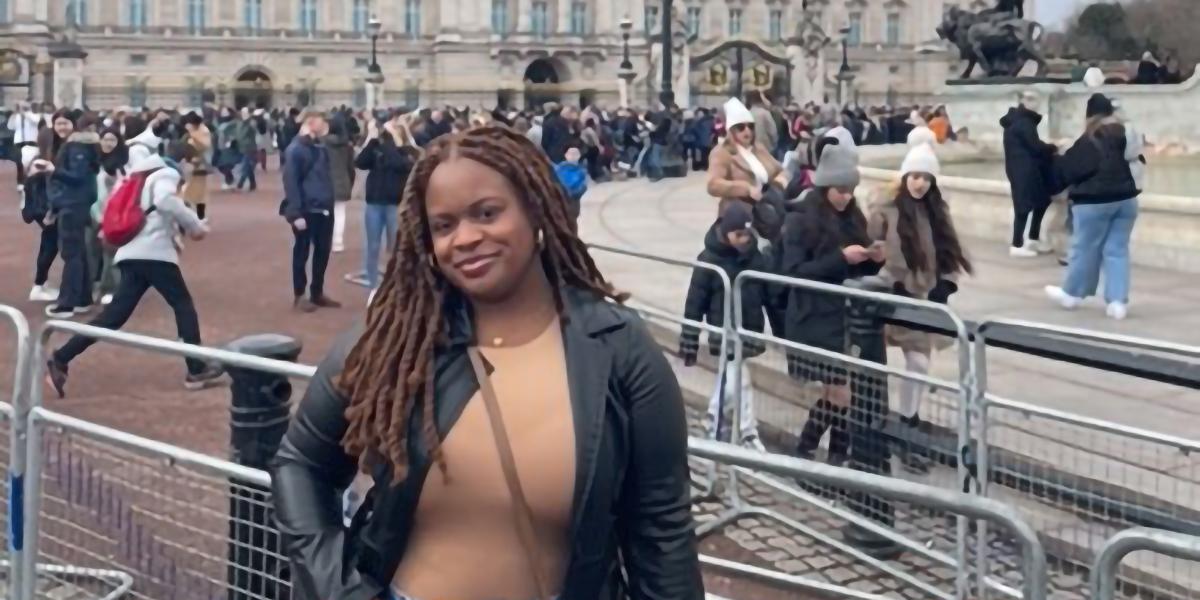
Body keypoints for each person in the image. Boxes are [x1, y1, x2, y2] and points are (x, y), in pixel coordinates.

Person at [270, 125, 703, 600]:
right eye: (444, 225)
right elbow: (302, 463)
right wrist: (336, 587)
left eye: (487, 213)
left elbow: (662, 533)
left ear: (535, 209)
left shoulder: (620, 348)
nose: (467, 238)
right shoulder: (396, 340)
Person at [45, 131, 222, 398]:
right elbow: (165, 202)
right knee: (183, 305)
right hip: (155, 253)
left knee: (114, 317)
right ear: (184, 160)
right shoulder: (167, 174)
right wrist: (194, 224)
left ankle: (62, 357)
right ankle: (195, 368)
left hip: (131, 251)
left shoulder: (138, 174)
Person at [867, 142, 973, 472]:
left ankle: (907, 425)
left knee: (918, 363)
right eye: (915, 176)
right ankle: (872, 426)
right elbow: (869, 249)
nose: (920, 183)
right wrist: (883, 278)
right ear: (904, 176)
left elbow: (948, 250)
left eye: (926, 178)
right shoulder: (884, 208)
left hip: (918, 301)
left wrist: (946, 283)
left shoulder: (936, 211)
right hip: (886, 298)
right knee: (872, 365)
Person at [782, 140, 883, 464]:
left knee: (837, 392)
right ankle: (832, 456)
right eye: (840, 189)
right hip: (814, 317)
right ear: (825, 185)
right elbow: (795, 273)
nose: (847, 196)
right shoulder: (799, 220)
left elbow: (859, 265)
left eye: (851, 189)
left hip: (842, 316)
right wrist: (840, 258)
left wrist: (873, 259)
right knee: (842, 392)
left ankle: (818, 451)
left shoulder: (853, 218)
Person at [680, 200, 768, 450]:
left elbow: (769, 295)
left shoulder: (755, 257)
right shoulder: (708, 260)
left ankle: (714, 420)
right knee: (739, 378)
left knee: (730, 377)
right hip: (724, 329)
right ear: (725, 231)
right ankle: (746, 430)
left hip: (747, 328)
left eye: (746, 234)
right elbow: (694, 302)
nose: (743, 239)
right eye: (738, 234)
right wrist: (690, 338)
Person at [1046, 93, 1140, 321]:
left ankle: (1072, 294)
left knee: (1084, 248)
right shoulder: (1126, 133)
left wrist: (1059, 157)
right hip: (1126, 199)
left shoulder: (1090, 138)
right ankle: (1117, 302)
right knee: (1117, 250)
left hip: (1093, 202)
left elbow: (1069, 169)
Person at [281, 109, 340, 312]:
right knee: (302, 252)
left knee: (322, 252)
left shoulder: (319, 146)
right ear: (311, 121)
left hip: (323, 206)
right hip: (306, 209)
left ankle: (317, 291)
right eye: (323, 121)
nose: (326, 125)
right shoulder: (295, 149)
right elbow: (291, 183)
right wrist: (295, 213)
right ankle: (300, 294)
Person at [707, 97, 787, 239]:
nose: (747, 131)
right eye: (741, 127)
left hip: (766, 212)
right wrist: (745, 188)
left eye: (750, 126)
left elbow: (779, 170)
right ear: (731, 130)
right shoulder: (722, 153)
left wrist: (779, 182)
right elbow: (713, 185)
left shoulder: (758, 149)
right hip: (738, 217)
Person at [45, 111, 100, 319]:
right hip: (75, 202)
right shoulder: (82, 146)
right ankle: (82, 298)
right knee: (79, 252)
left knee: (71, 254)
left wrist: (53, 170)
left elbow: (77, 176)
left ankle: (68, 302)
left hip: (73, 203)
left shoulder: (76, 147)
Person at [356, 115, 417, 291]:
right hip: (374, 202)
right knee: (372, 245)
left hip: (395, 204)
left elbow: (400, 164)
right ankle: (372, 283)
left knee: (396, 245)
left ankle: (396, 282)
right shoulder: (379, 146)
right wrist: (372, 140)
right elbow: (360, 163)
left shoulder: (407, 150)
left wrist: (393, 142)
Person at [1001, 91, 1057, 258]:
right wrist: (1054, 147)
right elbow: (1035, 147)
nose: (1035, 103)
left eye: (1035, 99)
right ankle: (1017, 244)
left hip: (1025, 168)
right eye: (1030, 99)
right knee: (1023, 206)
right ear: (1022, 101)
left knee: (1041, 200)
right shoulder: (1023, 122)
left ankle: (1033, 237)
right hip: (1023, 169)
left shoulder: (1020, 120)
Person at [90, 126, 128, 305]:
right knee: (91, 251)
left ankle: (112, 289)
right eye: (105, 139)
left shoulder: (121, 165)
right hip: (91, 212)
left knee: (110, 253)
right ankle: (94, 285)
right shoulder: (93, 160)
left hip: (111, 215)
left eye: (112, 139)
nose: (108, 143)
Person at [25, 127, 64, 303]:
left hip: (42, 209)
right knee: (50, 247)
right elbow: (44, 190)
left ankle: (41, 283)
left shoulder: (38, 160)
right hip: (46, 210)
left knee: (48, 246)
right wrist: (51, 211)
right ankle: (38, 285)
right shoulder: (41, 162)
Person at [324, 115, 357, 254]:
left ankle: (324, 240)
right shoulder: (347, 146)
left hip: (324, 181)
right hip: (342, 180)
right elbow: (351, 168)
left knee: (324, 213)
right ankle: (337, 242)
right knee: (340, 213)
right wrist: (350, 182)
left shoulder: (321, 143)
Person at [180, 112, 212, 221]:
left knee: (200, 193)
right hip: (188, 163)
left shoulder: (204, 131)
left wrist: (192, 135)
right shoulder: (188, 131)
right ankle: (187, 216)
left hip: (199, 165)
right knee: (184, 192)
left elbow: (204, 146)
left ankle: (200, 216)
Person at [553, 144, 588, 223]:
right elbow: (584, 187)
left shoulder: (558, 169)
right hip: (572, 204)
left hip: (562, 204)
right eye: (571, 154)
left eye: (575, 154)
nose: (573, 156)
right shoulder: (581, 171)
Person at [235, 107, 259, 192]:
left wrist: (249, 120)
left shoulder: (251, 122)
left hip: (250, 147)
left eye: (245, 112)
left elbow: (254, 129)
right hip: (242, 147)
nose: (243, 114)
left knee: (245, 166)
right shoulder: (240, 122)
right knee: (248, 166)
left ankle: (240, 184)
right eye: (242, 112)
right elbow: (238, 134)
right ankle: (253, 183)